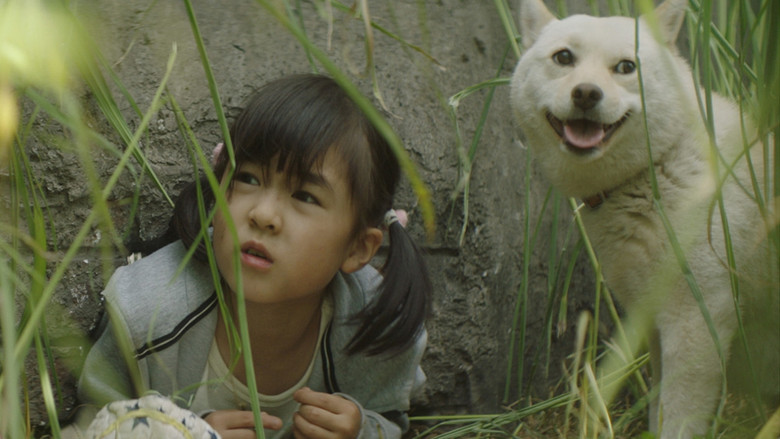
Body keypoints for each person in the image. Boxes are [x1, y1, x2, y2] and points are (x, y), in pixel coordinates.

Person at [76, 74, 431, 439]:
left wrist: (361, 432)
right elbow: (92, 424)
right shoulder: (147, 312)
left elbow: (393, 420)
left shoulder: (377, 327)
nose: (263, 215)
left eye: (305, 197)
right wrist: (183, 433)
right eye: (248, 178)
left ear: (357, 248)